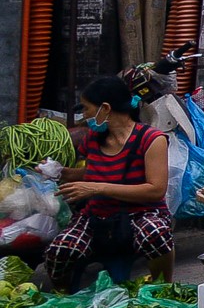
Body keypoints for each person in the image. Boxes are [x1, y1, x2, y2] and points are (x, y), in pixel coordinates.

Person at [47, 75, 174, 290]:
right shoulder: (93, 139)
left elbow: (155, 190)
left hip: (141, 212)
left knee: (156, 235)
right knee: (60, 251)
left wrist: (97, 188)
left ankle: (164, 289)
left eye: (87, 109)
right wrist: (60, 173)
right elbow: (92, 173)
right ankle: (63, 297)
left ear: (105, 108)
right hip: (96, 215)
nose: (84, 115)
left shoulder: (152, 139)